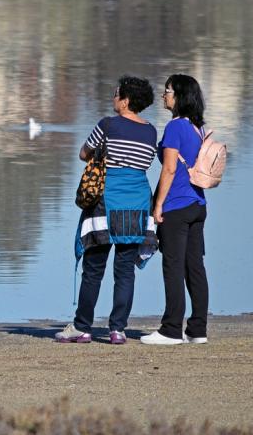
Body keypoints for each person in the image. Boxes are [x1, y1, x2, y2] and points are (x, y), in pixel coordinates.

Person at [56, 76, 158, 345]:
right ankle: (117, 330)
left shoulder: (108, 125)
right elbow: (145, 162)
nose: (113, 98)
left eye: (116, 94)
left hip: (106, 202)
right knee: (125, 270)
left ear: (125, 101)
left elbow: (83, 153)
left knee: (94, 268)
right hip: (137, 206)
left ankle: (82, 327)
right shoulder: (151, 131)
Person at [141, 74, 209, 345]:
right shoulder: (197, 128)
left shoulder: (175, 128)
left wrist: (157, 206)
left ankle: (171, 329)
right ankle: (197, 330)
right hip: (197, 204)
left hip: (177, 206)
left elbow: (169, 168)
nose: (164, 95)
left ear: (179, 96)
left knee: (172, 265)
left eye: (168, 91)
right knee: (195, 267)